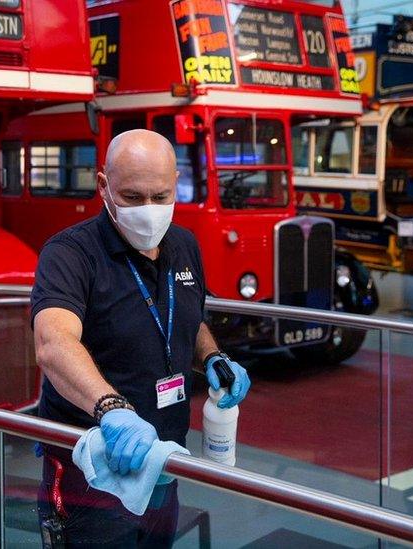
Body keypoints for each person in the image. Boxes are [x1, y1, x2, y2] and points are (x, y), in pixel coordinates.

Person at [31, 129, 251, 547]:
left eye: (161, 196)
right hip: (93, 472)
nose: (149, 211)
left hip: (163, 461)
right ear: (103, 187)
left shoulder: (183, 244)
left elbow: (190, 316)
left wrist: (212, 358)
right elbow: (54, 344)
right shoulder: (70, 254)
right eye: (132, 198)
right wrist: (111, 408)